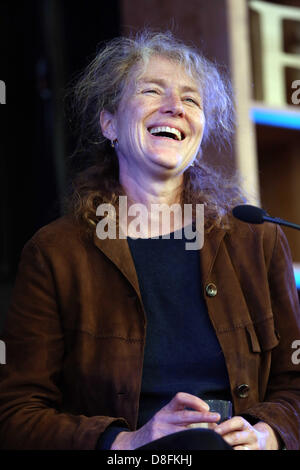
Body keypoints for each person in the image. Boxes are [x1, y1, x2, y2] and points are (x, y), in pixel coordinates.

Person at [0, 30, 300, 451]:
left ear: (199, 135)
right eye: (152, 90)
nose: (175, 107)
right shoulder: (55, 253)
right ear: (109, 124)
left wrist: (267, 435)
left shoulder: (259, 240)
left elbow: (296, 383)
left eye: (191, 100)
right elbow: (17, 413)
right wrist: (128, 441)